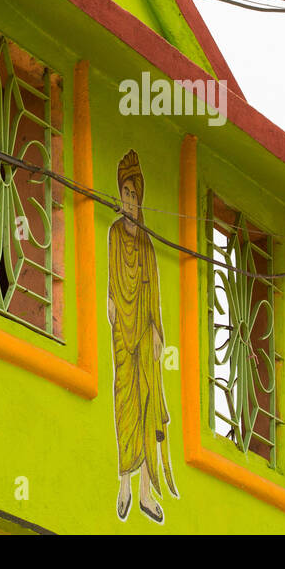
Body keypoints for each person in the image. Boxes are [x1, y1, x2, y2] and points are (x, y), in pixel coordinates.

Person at [107, 149, 178, 522]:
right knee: (124, 406)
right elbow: (112, 281)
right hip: (123, 335)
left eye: (133, 195)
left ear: (141, 199)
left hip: (145, 334)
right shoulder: (115, 233)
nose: (128, 201)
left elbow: (155, 297)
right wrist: (110, 301)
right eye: (124, 194)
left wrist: (156, 331)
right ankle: (124, 483)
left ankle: (147, 492)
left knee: (149, 406)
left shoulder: (148, 244)